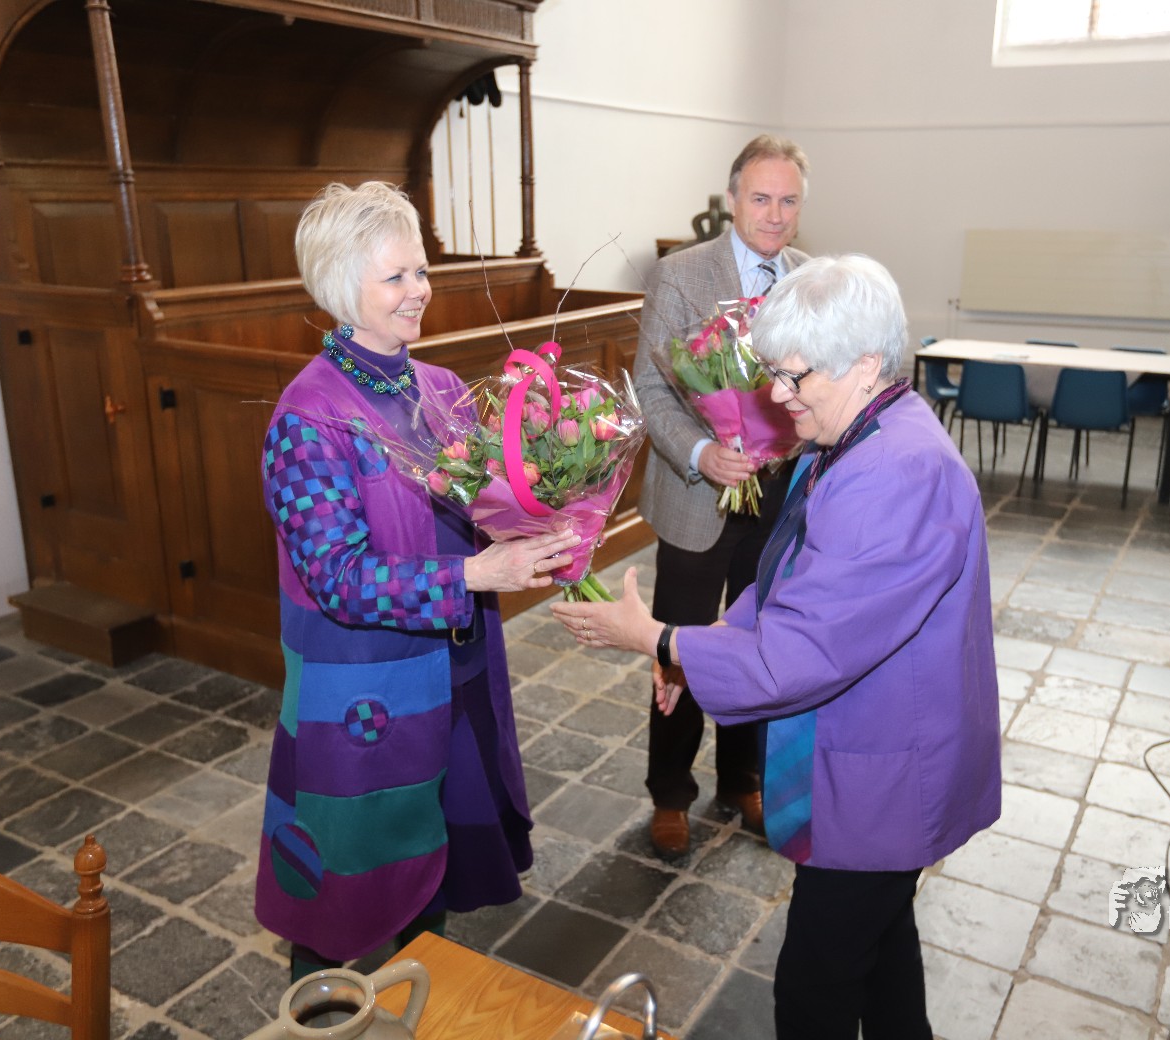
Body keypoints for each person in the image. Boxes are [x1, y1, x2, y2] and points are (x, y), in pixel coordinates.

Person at [552, 255, 1002, 1040]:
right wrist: (703, 643)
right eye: (774, 374)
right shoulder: (852, 433)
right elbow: (791, 574)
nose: (778, 395)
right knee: (884, 963)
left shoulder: (895, 474)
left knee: (813, 993)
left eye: (795, 377)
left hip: (888, 775)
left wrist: (655, 636)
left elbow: (798, 653)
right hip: (876, 754)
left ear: (866, 365)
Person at [255, 181, 577, 981]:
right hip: (365, 694)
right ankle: (323, 1022)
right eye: (395, 277)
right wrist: (476, 572)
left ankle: (421, 1007)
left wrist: (546, 511)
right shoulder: (308, 417)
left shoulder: (438, 387)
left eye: (421, 271)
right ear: (342, 288)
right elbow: (337, 578)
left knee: (432, 869)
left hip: (454, 667)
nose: (419, 290)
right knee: (344, 893)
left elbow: (477, 509)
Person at [631, 134, 813, 858]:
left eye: (788, 200)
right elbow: (653, 389)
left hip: (777, 498)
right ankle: (669, 793)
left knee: (758, 643)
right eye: (761, 198)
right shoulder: (680, 274)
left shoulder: (807, 280)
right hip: (696, 497)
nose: (774, 214)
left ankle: (743, 778)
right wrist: (704, 454)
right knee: (678, 647)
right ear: (732, 198)